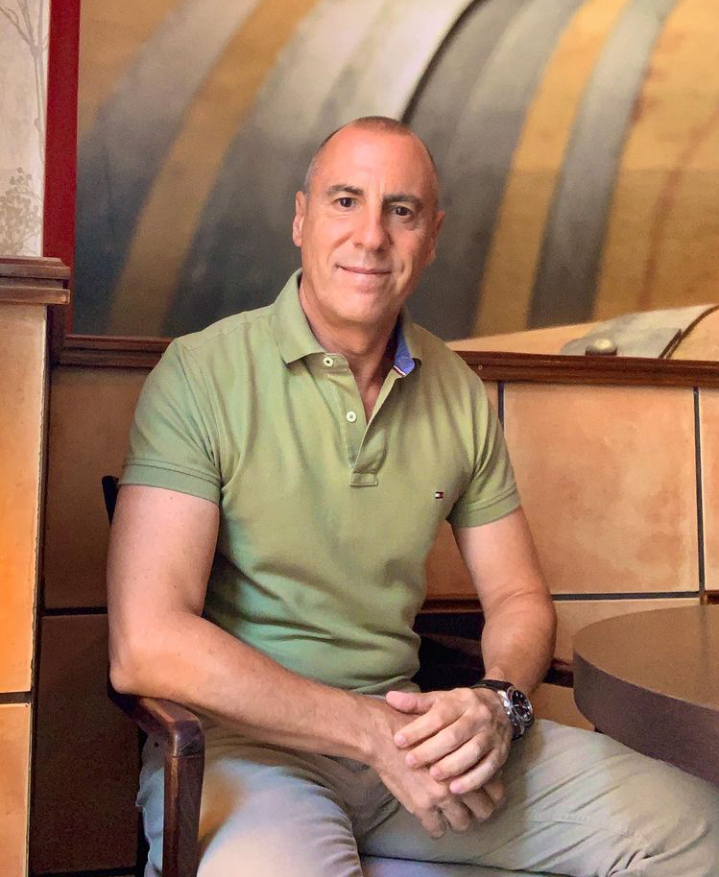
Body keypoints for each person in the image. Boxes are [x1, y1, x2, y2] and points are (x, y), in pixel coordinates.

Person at [107, 116, 719, 877]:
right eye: (345, 201)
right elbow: (147, 644)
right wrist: (366, 732)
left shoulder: (457, 390)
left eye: (401, 210)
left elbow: (519, 597)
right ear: (300, 219)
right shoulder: (199, 374)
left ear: (431, 237)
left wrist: (497, 704)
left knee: (699, 830)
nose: (370, 236)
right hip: (247, 750)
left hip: (414, 739)